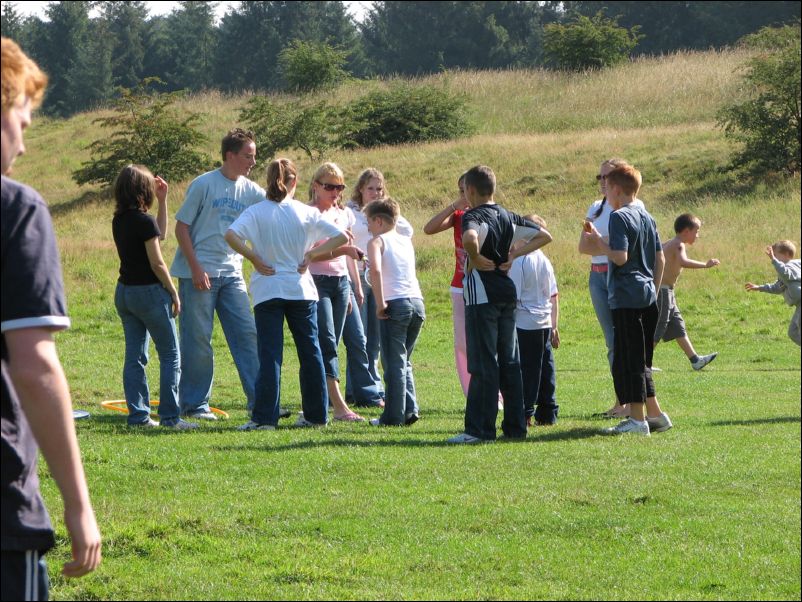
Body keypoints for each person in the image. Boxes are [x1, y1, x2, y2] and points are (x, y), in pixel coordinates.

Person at [1, 36, 101, 600]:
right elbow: (35, 366)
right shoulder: (16, 211)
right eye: (23, 119)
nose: (25, 141)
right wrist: (78, 505)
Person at [225, 159, 354, 430]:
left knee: (271, 353)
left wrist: (254, 258)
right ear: (295, 182)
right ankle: (316, 415)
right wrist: (312, 254)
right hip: (301, 289)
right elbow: (342, 237)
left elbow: (231, 235)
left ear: (268, 180)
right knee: (311, 352)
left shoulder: (257, 211)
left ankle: (264, 418)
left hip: (268, 288)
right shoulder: (304, 212)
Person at [171, 128, 272, 421]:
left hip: (232, 274)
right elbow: (181, 228)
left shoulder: (251, 190)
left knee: (247, 335)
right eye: (247, 156)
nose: (252, 161)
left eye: (254, 156)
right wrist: (196, 268)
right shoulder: (204, 184)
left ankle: (261, 402)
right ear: (230, 155)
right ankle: (194, 404)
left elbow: (275, 208)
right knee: (198, 340)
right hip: (199, 273)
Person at [447, 165, 552, 444]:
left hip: (482, 294)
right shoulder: (508, 215)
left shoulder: (473, 214)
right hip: (507, 292)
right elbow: (544, 235)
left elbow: (469, 238)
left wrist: (476, 257)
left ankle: (479, 430)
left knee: (482, 362)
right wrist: (515, 252)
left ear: (469, 190)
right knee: (510, 361)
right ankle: (516, 426)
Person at [582, 163, 673, 436]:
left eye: (607, 186)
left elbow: (619, 257)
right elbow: (660, 258)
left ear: (617, 190)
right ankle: (655, 416)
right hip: (646, 295)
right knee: (641, 359)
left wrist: (600, 243)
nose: (605, 191)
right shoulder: (648, 216)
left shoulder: (619, 217)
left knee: (628, 359)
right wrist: (653, 292)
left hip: (626, 296)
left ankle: (636, 420)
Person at [112, 165, 198, 429]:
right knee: (171, 354)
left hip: (125, 293)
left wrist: (163, 202)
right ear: (142, 189)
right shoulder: (143, 222)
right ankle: (171, 418)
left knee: (135, 356)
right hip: (149, 294)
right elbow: (158, 262)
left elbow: (157, 236)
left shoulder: (120, 220)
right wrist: (173, 291)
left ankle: (138, 417)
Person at [578, 158, 646, 418]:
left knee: (625, 341)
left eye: (607, 177)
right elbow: (583, 247)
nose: (603, 182)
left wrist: (602, 242)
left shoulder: (634, 206)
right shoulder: (596, 207)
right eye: (600, 177)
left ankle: (633, 404)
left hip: (620, 276)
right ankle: (621, 401)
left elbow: (625, 249)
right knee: (612, 342)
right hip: (597, 278)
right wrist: (608, 243)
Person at [342, 168, 407, 408]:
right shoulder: (350, 211)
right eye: (370, 188)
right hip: (355, 276)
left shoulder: (383, 212)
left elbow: (406, 229)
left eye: (379, 188)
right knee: (358, 336)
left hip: (377, 279)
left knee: (375, 338)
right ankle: (355, 388)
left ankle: (374, 386)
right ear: (361, 189)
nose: (375, 192)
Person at [307, 162, 365, 422]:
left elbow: (350, 256)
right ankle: (339, 406)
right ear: (316, 186)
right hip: (317, 281)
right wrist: (343, 250)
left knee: (331, 343)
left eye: (339, 187)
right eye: (329, 186)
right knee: (327, 342)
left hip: (341, 283)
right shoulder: (308, 214)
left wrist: (355, 287)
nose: (335, 192)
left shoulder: (344, 214)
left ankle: (320, 399)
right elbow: (310, 255)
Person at [365, 198, 425, 427]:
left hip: (395, 303)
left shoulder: (377, 242)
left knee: (393, 363)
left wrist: (380, 304)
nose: (368, 227)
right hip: (417, 302)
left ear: (379, 220)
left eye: (369, 221)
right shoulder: (405, 240)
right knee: (404, 359)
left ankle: (392, 416)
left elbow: (377, 271)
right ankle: (410, 409)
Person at [508, 215, 560, 427]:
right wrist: (554, 325)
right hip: (544, 320)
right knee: (546, 367)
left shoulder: (520, 261)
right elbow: (554, 295)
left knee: (528, 369)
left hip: (525, 321)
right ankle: (548, 410)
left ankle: (526, 411)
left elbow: (514, 297)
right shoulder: (544, 260)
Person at [654, 213, 720, 369]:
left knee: (677, 325)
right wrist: (705, 264)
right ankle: (642, 363)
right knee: (659, 326)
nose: (698, 235)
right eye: (696, 231)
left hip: (667, 292)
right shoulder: (678, 244)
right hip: (662, 293)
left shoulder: (670, 243)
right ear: (685, 231)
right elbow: (683, 261)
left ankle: (695, 360)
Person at [745, 240, 801, 346]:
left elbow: (786, 273)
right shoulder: (786, 272)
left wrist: (774, 260)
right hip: (799, 305)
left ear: (787, 254)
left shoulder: (790, 267)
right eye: (773, 255)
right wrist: (759, 287)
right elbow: (778, 287)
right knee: (793, 332)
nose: (773, 257)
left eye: (776, 255)